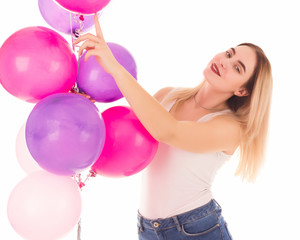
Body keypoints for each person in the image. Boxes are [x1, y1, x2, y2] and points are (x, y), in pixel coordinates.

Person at [74, 14, 273, 240]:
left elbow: (168, 131)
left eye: (237, 68)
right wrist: (85, 108)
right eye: (229, 53)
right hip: (148, 229)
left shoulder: (230, 128)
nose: (225, 62)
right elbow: (126, 134)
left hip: (197, 230)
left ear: (242, 91)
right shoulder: (167, 96)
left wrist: (116, 69)